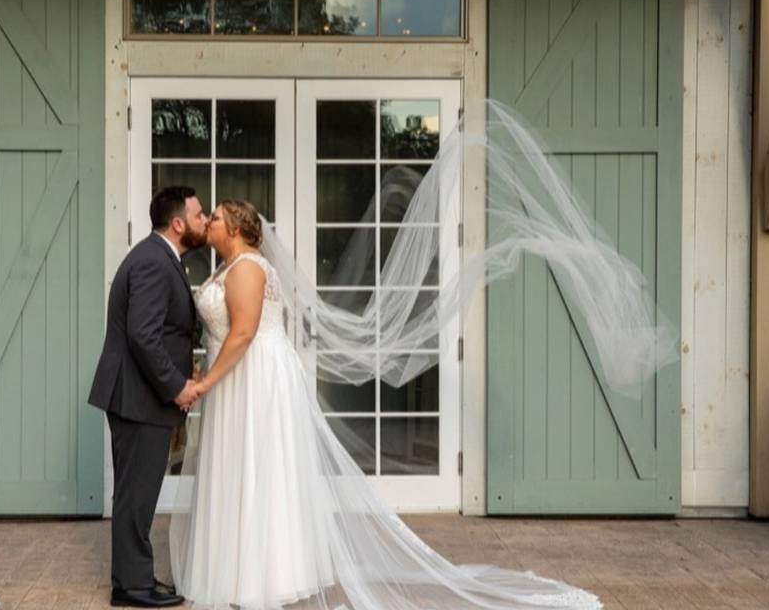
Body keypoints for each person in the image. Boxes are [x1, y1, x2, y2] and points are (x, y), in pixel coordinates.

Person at [169, 199, 604, 610]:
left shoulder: (246, 269)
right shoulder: (229, 266)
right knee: (242, 472)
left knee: (256, 471)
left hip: (253, 377)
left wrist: (205, 382)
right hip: (239, 377)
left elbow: (243, 333)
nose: (210, 222)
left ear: (240, 229)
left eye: (219, 217)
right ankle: (238, 570)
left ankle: (258, 577)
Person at [87, 186, 207, 608]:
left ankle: (134, 578)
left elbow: (164, 332)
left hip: (138, 394)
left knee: (137, 492)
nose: (204, 220)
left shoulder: (158, 258)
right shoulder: (155, 262)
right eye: (198, 214)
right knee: (137, 494)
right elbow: (143, 335)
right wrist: (175, 387)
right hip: (138, 396)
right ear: (177, 223)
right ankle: (133, 587)